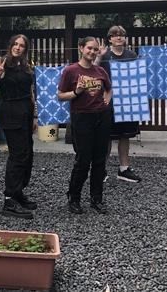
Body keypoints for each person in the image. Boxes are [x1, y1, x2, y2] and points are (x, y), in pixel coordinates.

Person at [0, 34, 37, 219]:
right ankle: (9, 200)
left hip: (26, 112)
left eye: (22, 45)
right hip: (11, 111)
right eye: (15, 44)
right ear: (10, 46)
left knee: (28, 153)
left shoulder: (26, 66)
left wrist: (35, 115)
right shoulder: (1, 63)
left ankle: (18, 192)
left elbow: (30, 92)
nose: (18, 47)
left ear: (25, 49)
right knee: (18, 155)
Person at [58, 37, 112, 215]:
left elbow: (108, 89)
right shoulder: (71, 71)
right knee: (83, 160)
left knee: (99, 160)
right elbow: (60, 95)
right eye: (89, 48)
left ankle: (97, 199)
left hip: (101, 117)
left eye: (95, 49)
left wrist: (106, 101)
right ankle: (74, 197)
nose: (92, 52)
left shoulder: (100, 70)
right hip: (81, 117)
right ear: (81, 48)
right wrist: (76, 92)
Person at [96, 25, 141, 183]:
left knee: (125, 136)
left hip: (127, 101)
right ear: (110, 39)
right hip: (109, 101)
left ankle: (124, 168)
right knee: (105, 137)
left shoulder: (132, 55)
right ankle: (100, 169)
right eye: (115, 35)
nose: (119, 38)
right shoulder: (105, 56)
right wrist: (99, 57)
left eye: (121, 35)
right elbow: (94, 73)